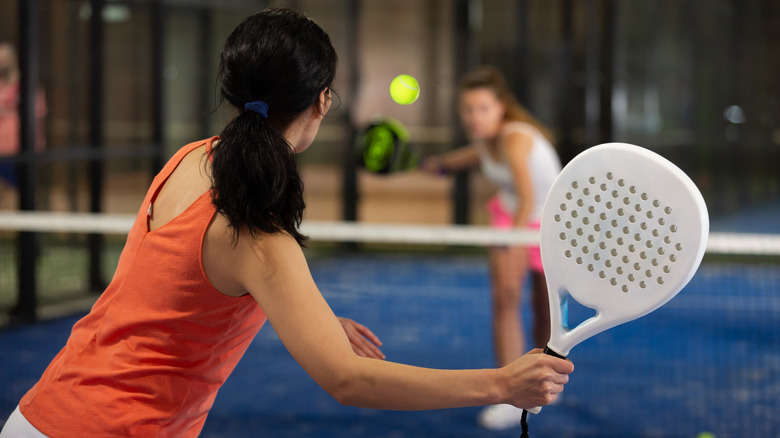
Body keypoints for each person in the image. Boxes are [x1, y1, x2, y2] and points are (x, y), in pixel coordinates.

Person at [0, 10, 572, 437]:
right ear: (322, 102)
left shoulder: (189, 158)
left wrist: (312, 314)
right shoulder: (258, 229)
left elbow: (189, 288)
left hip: (38, 414)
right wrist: (500, 383)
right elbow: (348, 381)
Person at [422, 66, 563, 430]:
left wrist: (514, 240)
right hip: (510, 215)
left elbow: (529, 195)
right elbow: (461, 160)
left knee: (545, 314)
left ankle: (543, 382)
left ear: (501, 107)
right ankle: (511, 394)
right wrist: (436, 166)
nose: (475, 116)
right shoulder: (484, 140)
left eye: (483, 108)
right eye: (468, 109)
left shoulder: (515, 138)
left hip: (548, 225)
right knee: (505, 300)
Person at [0, 42, 46, 193]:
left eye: (4, 58)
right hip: (2, 148)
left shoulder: (27, 85)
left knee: (21, 192)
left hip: (19, 148)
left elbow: (38, 112)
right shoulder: (2, 85)